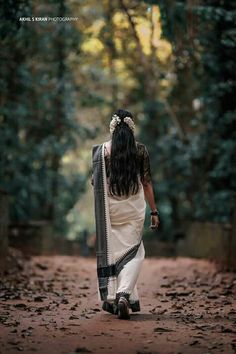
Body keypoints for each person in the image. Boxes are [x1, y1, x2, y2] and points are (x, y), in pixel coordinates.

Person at [91, 109, 160, 320]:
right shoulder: (140, 150)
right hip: (134, 208)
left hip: (111, 209)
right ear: (131, 128)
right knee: (135, 253)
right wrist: (154, 211)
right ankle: (123, 295)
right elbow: (146, 183)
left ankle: (118, 296)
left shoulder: (102, 152)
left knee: (117, 254)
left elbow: (95, 182)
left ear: (113, 128)